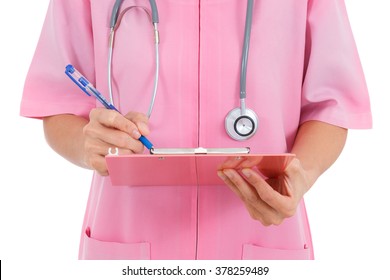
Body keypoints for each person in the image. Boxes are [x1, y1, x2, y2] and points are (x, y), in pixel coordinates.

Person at [20, 0, 372, 260]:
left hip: (263, 242)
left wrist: (302, 174)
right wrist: (87, 144)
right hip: (128, 244)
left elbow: (331, 104)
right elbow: (57, 103)